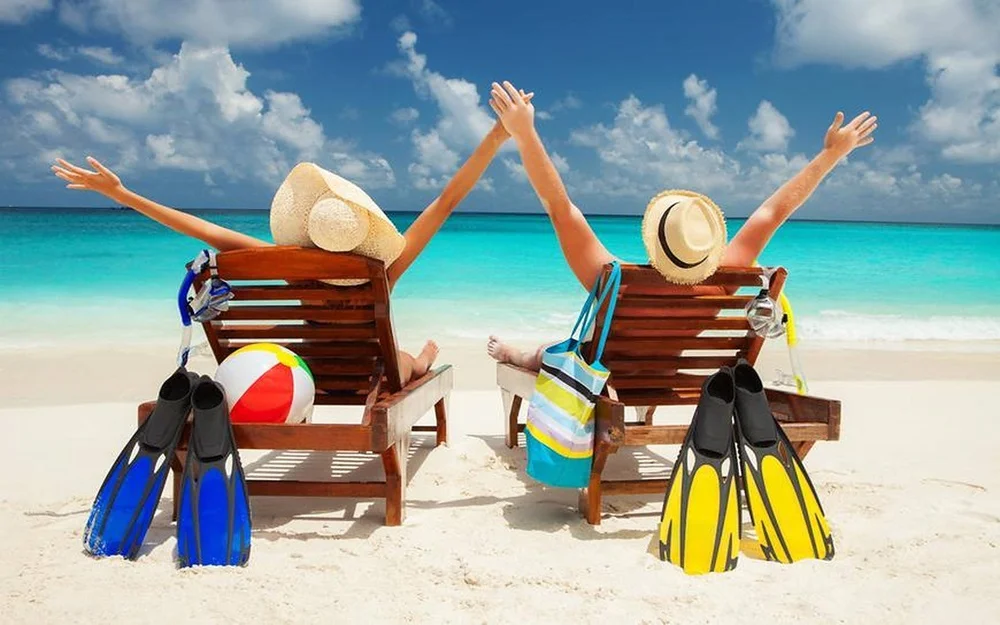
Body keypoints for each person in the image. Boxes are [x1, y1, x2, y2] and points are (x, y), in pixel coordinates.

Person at [51, 91, 533, 384]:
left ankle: (420, 357)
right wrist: (497, 137)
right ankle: (426, 358)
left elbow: (204, 230)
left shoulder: (287, 262)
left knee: (398, 357)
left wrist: (125, 194)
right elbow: (445, 203)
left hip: (310, 371)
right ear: (366, 236)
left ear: (309, 229)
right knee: (407, 361)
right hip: (370, 374)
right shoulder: (382, 270)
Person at [484, 80, 878, 370]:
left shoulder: (613, 283)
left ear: (654, 238)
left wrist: (525, 131)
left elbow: (559, 207)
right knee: (566, 346)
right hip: (664, 372)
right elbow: (772, 214)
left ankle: (516, 355)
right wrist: (831, 155)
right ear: (706, 246)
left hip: (606, 377)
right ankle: (522, 352)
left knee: (551, 351)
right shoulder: (722, 281)